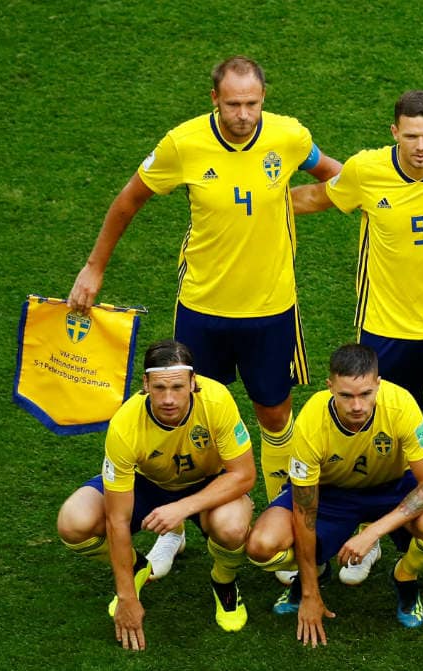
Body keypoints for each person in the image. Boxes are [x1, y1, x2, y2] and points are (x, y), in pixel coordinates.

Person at [66, 56, 342, 577]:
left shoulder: (288, 136)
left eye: (253, 103)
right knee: (190, 418)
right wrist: (93, 267)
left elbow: (340, 179)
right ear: (214, 100)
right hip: (202, 310)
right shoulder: (183, 144)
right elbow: (129, 200)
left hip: (271, 311)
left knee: (275, 416)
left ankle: (278, 522)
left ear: (265, 98)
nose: (244, 114)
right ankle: (173, 528)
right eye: (234, 104)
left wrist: (295, 201)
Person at [291, 90, 423, 590]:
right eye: (411, 135)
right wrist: (246, 204)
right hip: (386, 328)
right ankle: (374, 530)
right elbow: (317, 197)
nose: (421, 146)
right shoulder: (365, 170)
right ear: (394, 133)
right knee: (384, 427)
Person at [243, 343, 423, 645]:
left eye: (365, 394)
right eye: (346, 395)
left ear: (378, 384)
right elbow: (305, 510)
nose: (357, 405)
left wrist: (372, 533)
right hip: (330, 494)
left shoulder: (401, 404)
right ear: (330, 387)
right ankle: (311, 575)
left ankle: (405, 576)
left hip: (391, 488)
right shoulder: (312, 420)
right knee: (262, 546)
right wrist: (310, 594)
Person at [55, 339, 256, 651]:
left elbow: (244, 475)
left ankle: (224, 583)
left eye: (177, 387)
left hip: (208, 482)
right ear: (145, 384)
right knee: (73, 522)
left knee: (232, 527)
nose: (168, 398)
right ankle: (137, 567)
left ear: (194, 382)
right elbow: (117, 520)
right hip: (146, 484)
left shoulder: (217, 400)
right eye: (160, 388)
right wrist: (126, 596)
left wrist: (181, 508)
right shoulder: (125, 424)